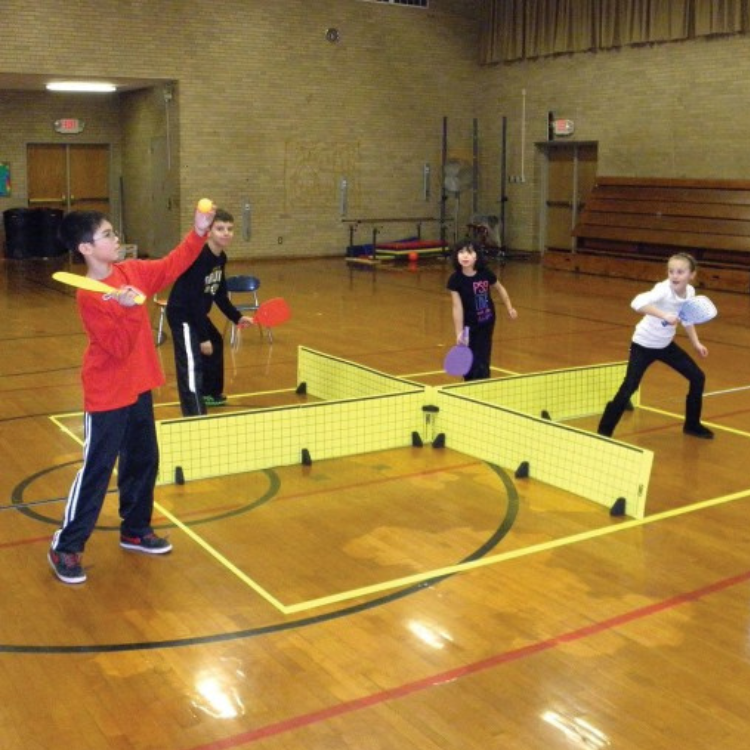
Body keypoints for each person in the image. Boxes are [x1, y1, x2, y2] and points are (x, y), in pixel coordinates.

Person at [48, 205, 214, 584]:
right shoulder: (90, 297)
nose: (116, 238)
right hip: (107, 394)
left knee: (143, 459)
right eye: (107, 235)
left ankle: (135, 529)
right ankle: (67, 546)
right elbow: (119, 348)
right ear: (86, 248)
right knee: (97, 469)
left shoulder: (134, 272)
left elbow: (174, 264)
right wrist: (123, 309)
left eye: (113, 232)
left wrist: (199, 231)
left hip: (139, 387)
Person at [598, 252, 713, 439]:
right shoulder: (662, 290)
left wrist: (696, 343)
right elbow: (636, 303)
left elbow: (687, 318)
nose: (674, 275)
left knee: (698, 377)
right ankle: (604, 432)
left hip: (666, 346)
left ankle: (692, 425)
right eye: (671, 271)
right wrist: (663, 315)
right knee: (629, 387)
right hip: (643, 345)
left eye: (680, 272)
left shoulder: (690, 292)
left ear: (692, 275)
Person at [166, 208, 253, 416]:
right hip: (182, 315)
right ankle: (194, 410)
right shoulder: (199, 258)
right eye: (220, 228)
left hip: (196, 313)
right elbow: (194, 299)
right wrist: (202, 338)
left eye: (230, 229)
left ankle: (210, 392)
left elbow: (219, 293)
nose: (226, 233)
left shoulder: (220, 258)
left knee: (216, 342)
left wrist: (237, 317)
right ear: (209, 232)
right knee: (190, 360)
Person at [446, 239, 517, 380]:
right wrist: (458, 332)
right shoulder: (455, 280)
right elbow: (457, 307)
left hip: (486, 320)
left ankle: (483, 381)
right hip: (468, 323)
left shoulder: (485, 273)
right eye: (461, 252)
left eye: (469, 252)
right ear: (456, 256)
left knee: (483, 354)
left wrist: (510, 307)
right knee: (469, 354)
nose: (465, 256)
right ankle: (470, 381)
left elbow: (500, 288)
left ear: (476, 256)